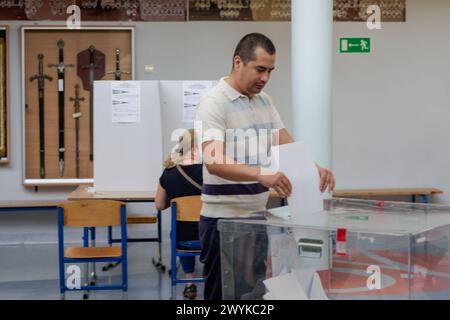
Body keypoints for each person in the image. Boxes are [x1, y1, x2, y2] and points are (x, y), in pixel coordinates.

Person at [195, 33, 335, 300]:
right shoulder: (213, 103)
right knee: (222, 296)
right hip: (223, 221)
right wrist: (261, 174)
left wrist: (314, 168)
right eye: (260, 69)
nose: (265, 78)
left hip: (256, 218)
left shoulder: (264, 102)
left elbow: (285, 144)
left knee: (252, 294)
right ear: (238, 62)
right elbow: (214, 161)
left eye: (270, 71)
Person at [155, 128, 203, 299]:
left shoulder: (169, 173)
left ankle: (189, 283)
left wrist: (176, 203)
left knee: (180, 231)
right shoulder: (212, 173)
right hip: (210, 240)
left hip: (184, 241)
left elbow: (159, 205)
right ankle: (215, 279)